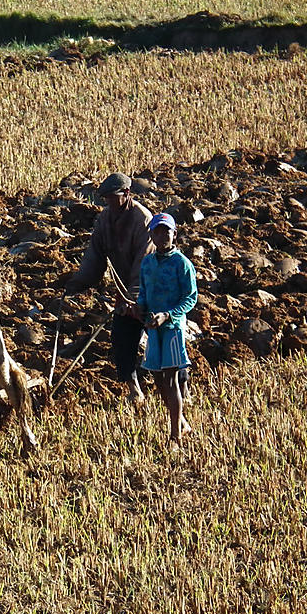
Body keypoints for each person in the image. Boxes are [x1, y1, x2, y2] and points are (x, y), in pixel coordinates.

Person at [64, 172, 155, 402]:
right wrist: (78, 282)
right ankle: (134, 389)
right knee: (121, 340)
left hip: (150, 289)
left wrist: (132, 299)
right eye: (106, 199)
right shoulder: (105, 220)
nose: (109, 203)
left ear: (126, 194)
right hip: (125, 291)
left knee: (159, 338)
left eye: (113, 198)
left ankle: (178, 388)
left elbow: (144, 264)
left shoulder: (142, 220)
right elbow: (94, 256)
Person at [137, 212, 197, 445]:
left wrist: (169, 315)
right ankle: (182, 423)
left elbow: (190, 298)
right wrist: (136, 308)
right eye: (158, 231)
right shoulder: (148, 263)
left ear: (175, 234)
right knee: (158, 378)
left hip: (172, 327)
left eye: (166, 231)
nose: (162, 235)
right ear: (151, 234)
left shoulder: (182, 264)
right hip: (153, 327)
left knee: (171, 380)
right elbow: (143, 293)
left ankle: (175, 437)